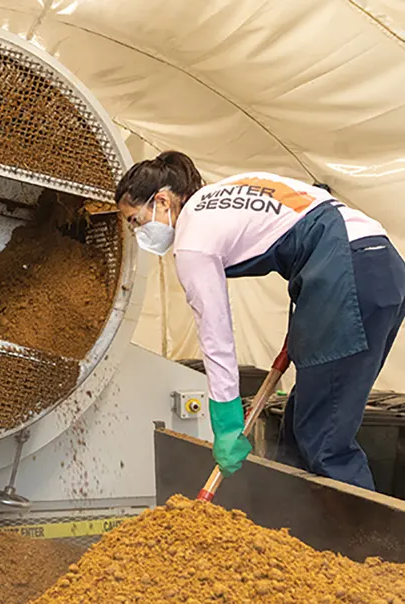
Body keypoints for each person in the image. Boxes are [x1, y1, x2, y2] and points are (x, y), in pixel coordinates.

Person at [115, 151, 405, 490]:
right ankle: (303, 530)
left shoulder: (192, 242)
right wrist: (307, 311)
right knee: (299, 427)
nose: (137, 232)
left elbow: (216, 336)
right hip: (380, 268)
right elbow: (309, 219)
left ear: (162, 200)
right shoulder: (228, 190)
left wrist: (225, 424)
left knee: (323, 439)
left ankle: (367, 541)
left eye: (135, 220)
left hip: (345, 276)